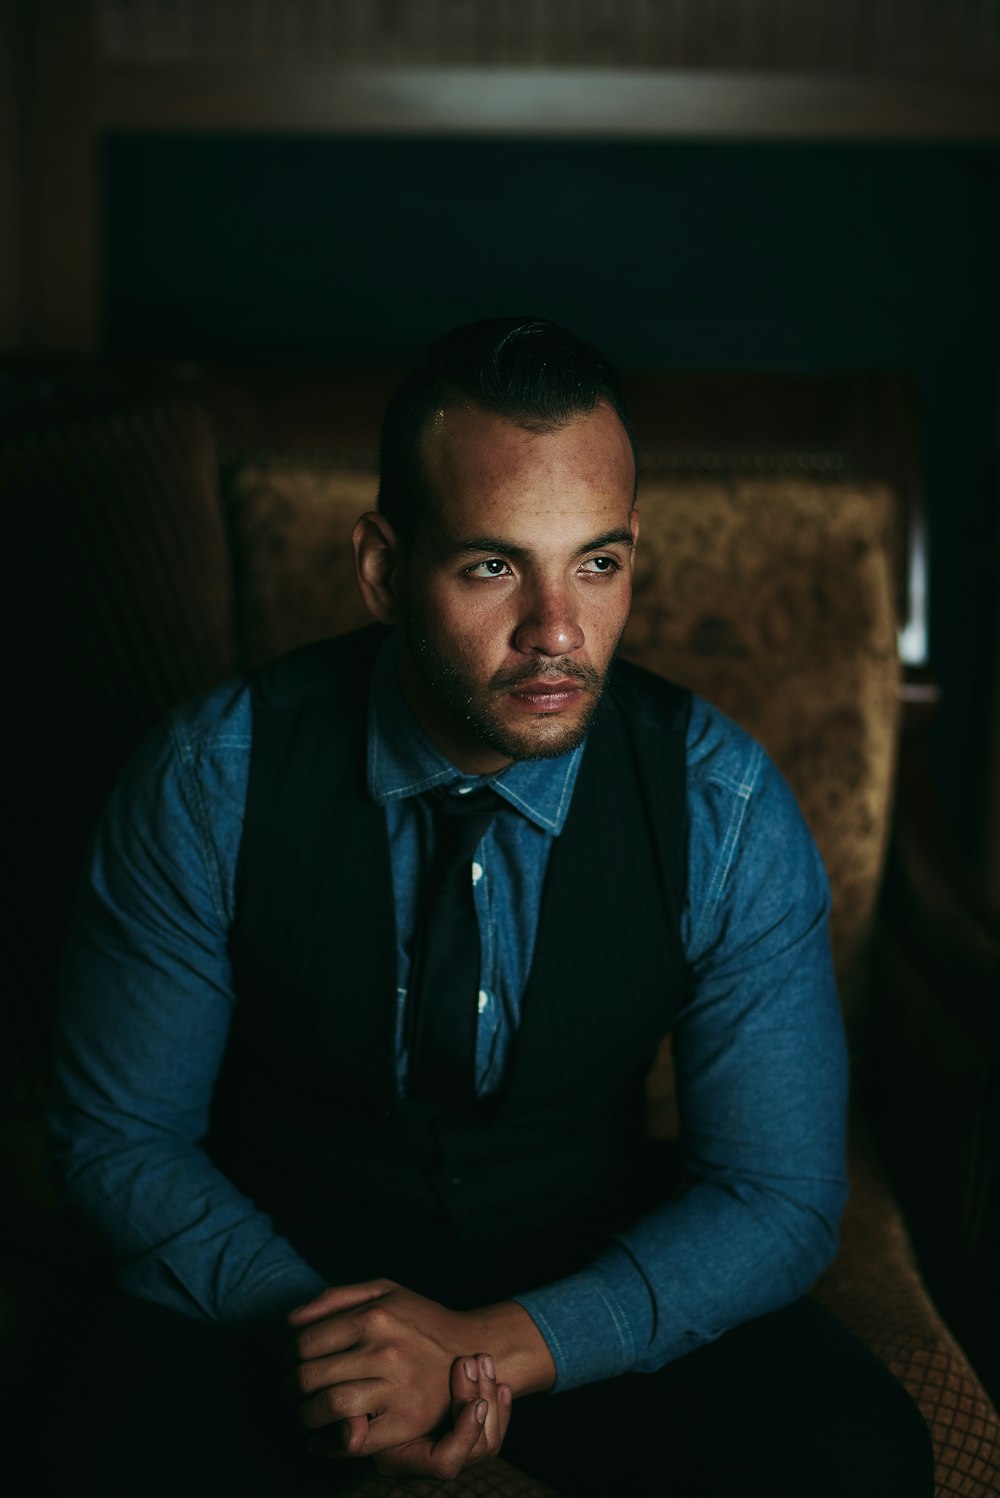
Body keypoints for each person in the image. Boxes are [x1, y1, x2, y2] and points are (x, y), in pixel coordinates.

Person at [47, 317, 934, 1495]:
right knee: (90, 1455)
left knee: (854, 1459)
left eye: (597, 563)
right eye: (491, 565)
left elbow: (775, 1194)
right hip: (280, 1266)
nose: (557, 631)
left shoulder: (719, 805)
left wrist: (488, 1349)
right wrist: (345, 1348)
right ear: (381, 566)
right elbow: (122, 1135)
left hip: (578, 1259)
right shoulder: (214, 778)